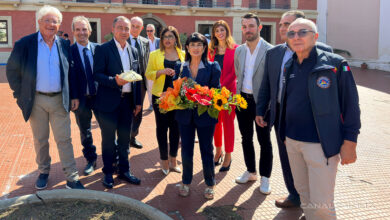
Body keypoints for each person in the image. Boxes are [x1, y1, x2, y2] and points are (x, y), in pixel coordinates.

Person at [259, 18, 361, 219]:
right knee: (304, 195)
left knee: (322, 203)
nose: (296, 37)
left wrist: (350, 141)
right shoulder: (289, 65)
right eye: (291, 33)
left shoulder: (334, 65)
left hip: (321, 145)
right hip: (292, 142)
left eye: (302, 32)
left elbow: (351, 106)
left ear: (315, 36)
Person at [255, 10, 333, 209]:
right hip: (281, 114)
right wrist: (260, 110)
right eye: (282, 25)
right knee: (287, 156)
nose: (284, 29)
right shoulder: (273, 53)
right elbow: (266, 85)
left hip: (310, 115)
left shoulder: (323, 51)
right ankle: (294, 194)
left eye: (288, 24)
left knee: (311, 159)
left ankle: (314, 203)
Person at [6, 5, 84, 189]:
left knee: (64, 139)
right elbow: (11, 70)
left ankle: (72, 177)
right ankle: (43, 171)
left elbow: (70, 72)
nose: (51, 24)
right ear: (39, 22)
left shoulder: (64, 44)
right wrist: (20, 95)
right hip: (36, 100)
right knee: (40, 139)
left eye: (55, 21)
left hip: (59, 100)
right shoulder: (25, 43)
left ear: (59, 25)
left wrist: (73, 95)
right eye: (47, 20)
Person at [93, 16, 142, 189]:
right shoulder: (103, 49)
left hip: (127, 104)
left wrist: (138, 102)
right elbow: (97, 74)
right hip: (108, 103)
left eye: (127, 28)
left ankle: (124, 171)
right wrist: (115, 82)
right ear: (113, 29)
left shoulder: (133, 51)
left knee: (124, 140)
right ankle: (107, 172)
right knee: (108, 140)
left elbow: (137, 78)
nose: (124, 32)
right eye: (120, 28)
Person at [174, 32, 221, 200]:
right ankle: (186, 182)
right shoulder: (180, 66)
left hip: (206, 116)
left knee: (206, 149)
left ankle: (210, 183)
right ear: (187, 47)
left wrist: (203, 95)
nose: (195, 48)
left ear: (204, 48)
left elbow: (217, 91)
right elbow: (175, 90)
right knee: (186, 149)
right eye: (192, 45)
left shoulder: (213, 66)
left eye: (199, 45)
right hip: (184, 116)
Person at [234, 13, 273, 195]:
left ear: (259, 27)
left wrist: (267, 106)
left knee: (264, 140)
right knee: (246, 138)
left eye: (251, 26)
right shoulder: (239, 50)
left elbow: (273, 82)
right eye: (245, 26)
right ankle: (251, 172)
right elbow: (238, 76)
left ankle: (265, 177)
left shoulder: (270, 51)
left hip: (262, 104)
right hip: (242, 101)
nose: (247, 29)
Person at [145, 26, 185, 175]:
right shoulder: (155, 55)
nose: (167, 39)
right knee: (162, 129)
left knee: (176, 129)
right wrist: (161, 72)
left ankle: (173, 160)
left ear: (176, 39)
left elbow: (187, 73)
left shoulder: (183, 54)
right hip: (160, 96)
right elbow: (148, 74)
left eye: (170, 36)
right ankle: (164, 160)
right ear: (161, 39)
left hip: (177, 97)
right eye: (165, 37)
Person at [69, 16, 99, 176]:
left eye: (84, 29)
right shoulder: (69, 52)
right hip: (79, 99)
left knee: (109, 128)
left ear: (90, 31)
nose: (82, 33)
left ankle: (113, 158)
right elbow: (68, 77)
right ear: (73, 32)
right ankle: (91, 159)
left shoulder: (99, 49)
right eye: (78, 29)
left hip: (100, 97)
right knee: (85, 131)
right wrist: (72, 97)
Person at [207, 20, 238, 172]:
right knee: (215, 123)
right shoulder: (210, 50)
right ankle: (218, 151)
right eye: (217, 30)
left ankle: (228, 154)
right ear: (214, 34)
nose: (220, 33)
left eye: (222, 30)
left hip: (230, 93)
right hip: (213, 93)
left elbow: (237, 72)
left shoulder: (236, 49)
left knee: (228, 124)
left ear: (227, 31)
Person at [128, 16, 150, 149]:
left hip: (141, 82)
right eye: (133, 25)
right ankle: (123, 139)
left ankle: (133, 136)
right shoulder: (123, 40)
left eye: (138, 26)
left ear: (142, 28)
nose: (135, 28)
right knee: (125, 111)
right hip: (126, 81)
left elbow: (147, 60)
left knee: (138, 110)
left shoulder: (145, 42)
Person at [145, 24, 160, 111]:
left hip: (158, 67)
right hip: (148, 67)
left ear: (154, 31)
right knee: (150, 86)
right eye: (148, 31)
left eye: (151, 31)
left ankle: (159, 102)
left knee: (159, 84)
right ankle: (151, 103)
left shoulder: (159, 41)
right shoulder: (144, 41)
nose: (149, 33)